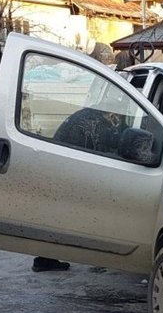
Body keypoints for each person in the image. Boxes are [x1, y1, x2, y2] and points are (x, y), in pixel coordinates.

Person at [33, 102, 131, 272]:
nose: (118, 123)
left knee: (58, 216)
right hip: (67, 171)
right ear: (111, 114)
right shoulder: (95, 124)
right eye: (119, 118)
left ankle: (44, 258)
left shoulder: (88, 116)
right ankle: (89, 257)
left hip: (60, 167)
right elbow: (101, 152)